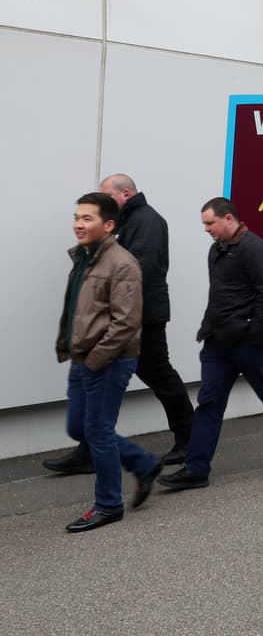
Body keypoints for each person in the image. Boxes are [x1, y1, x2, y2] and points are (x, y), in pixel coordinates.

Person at [159, 198, 263, 491]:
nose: (206, 229)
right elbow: (220, 294)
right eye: (204, 224)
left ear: (228, 219)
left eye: (210, 223)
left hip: (247, 342)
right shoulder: (217, 249)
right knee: (208, 403)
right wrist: (208, 329)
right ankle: (196, 469)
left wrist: (255, 336)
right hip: (217, 343)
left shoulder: (254, 248)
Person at [44, 174, 195, 475]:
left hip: (143, 316)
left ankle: (189, 439)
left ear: (126, 193)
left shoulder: (147, 221)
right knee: (101, 384)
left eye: (106, 195)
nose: (101, 202)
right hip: (126, 315)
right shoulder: (126, 220)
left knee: (159, 374)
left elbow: (138, 269)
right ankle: (89, 449)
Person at [57, 192, 163, 532]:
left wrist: (95, 360)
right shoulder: (84, 257)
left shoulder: (122, 264)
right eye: (77, 217)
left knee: (97, 431)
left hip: (108, 360)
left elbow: (126, 323)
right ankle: (143, 462)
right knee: (79, 428)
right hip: (82, 357)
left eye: (88, 218)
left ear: (109, 224)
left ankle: (108, 505)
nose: (78, 224)